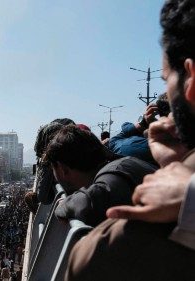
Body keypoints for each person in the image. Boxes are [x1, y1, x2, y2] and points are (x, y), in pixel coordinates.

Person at [66, 0, 195, 280]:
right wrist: (178, 164)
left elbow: (87, 261)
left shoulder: (159, 225)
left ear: (192, 82)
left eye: (166, 80)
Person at [43, 125, 157, 226]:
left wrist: (64, 205)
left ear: (62, 169)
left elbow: (89, 204)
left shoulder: (114, 175)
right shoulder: (121, 165)